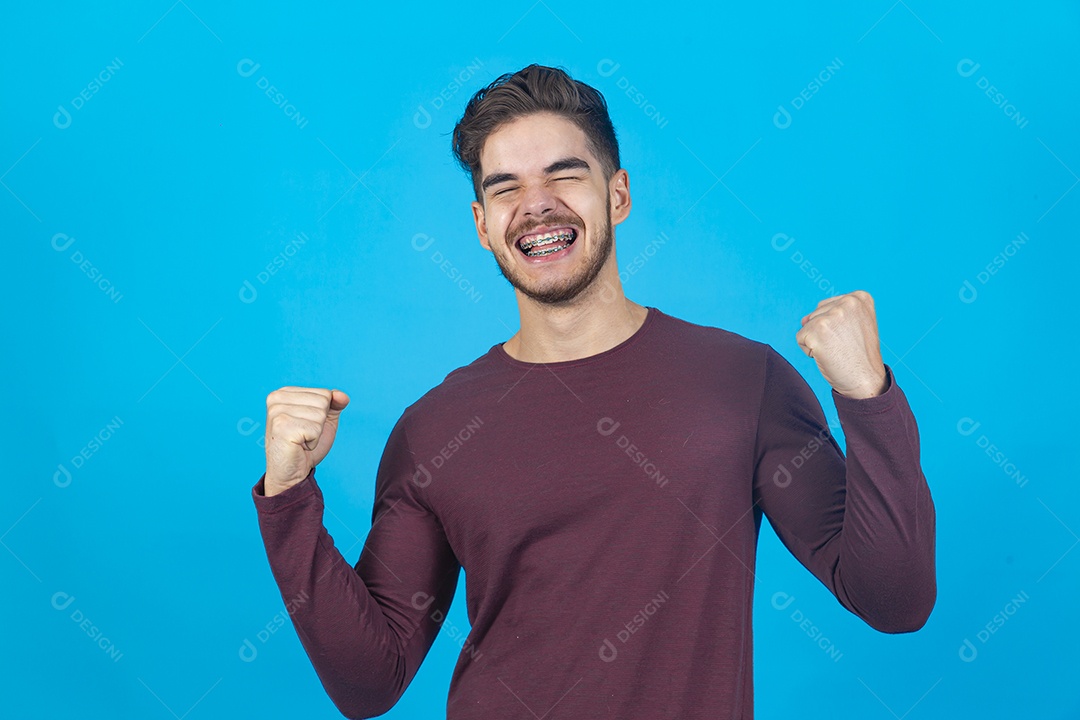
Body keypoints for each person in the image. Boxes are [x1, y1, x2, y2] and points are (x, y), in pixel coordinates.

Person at [251, 63, 936, 719]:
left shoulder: (742, 382)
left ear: (618, 195)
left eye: (564, 174)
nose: (535, 205)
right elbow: (371, 682)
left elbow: (893, 599)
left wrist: (868, 398)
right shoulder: (433, 429)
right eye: (505, 187)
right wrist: (288, 501)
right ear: (482, 225)